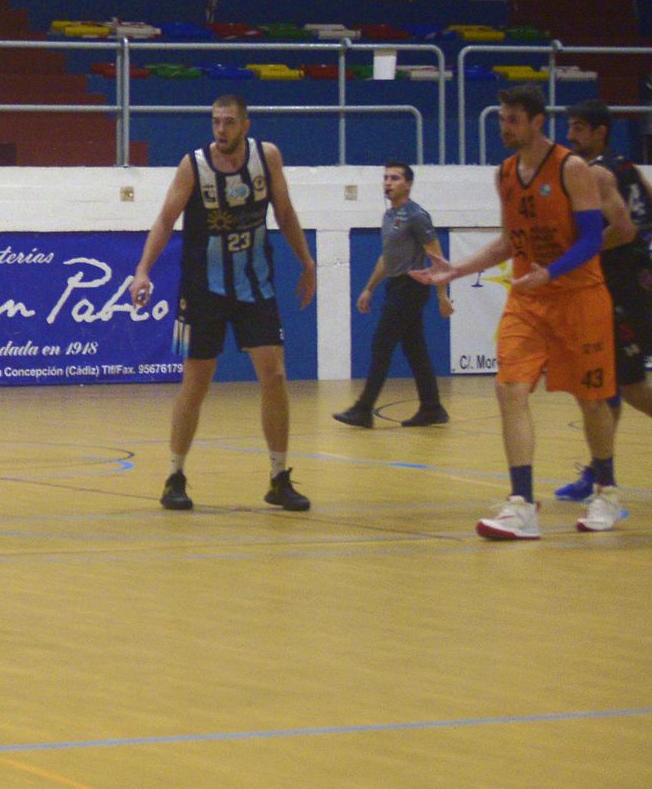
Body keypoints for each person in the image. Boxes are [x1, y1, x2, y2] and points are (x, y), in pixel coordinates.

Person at [413, 85, 622, 537]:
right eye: (502, 119)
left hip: (580, 296)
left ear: (535, 121)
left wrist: (552, 273)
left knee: (592, 398)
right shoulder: (505, 172)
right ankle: (522, 503)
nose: (504, 128)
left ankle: (605, 489)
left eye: (512, 120)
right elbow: (510, 242)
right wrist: (456, 270)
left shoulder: (572, 168)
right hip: (529, 301)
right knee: (509, 389)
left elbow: (591, 240)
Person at [127, 93, 316, 512]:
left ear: (245, 125)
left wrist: (307, 262)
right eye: (215, 122)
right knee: (196, 383)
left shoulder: (267, 159)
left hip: (255, 284)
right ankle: (175, 475)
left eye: (229, 122)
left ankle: (278, 477)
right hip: (203, 289)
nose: (221, 129)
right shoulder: (192, 166)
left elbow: (285, 213)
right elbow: (164, 220)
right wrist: (142, 270)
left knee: (275, 375)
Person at [556, 99, 652, 500]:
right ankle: (599, 470)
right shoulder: (627, 166)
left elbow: (624, 230)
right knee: (604, 383)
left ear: (600, 132)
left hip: (621, 287)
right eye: (570, 127)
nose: (570, 136)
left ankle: (599, 473)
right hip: (629, 281)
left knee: (627, 386)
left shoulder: (595, 172)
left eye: (579, 128)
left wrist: (583, 250)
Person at [333, 162, 453, 428]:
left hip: (412, 287)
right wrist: (369, 288)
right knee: (415, 349)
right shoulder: (389, 217)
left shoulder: (416, 216)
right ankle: (432, 408)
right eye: (386, 178)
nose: (388, 182)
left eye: (395, 178)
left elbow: (437, 257)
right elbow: (387, 258)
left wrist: (442, 295)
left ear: (408, 184)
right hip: (396, 287)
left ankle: (363, 409)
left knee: (381, 344)